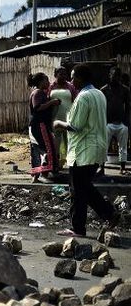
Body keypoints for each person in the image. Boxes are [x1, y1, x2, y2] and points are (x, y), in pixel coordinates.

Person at [54, 64, 119, 238]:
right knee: (84, 188)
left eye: (74, 77)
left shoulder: (83, 97)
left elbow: (76, 126)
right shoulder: (99, 94)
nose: (71, 80)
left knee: (78, 189)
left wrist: (58, 123)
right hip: (96, 148)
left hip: (83, 150)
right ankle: (108, 213)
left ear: (82, 78)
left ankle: (78, 228)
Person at [28, 72, 60, 183]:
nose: (48, 82)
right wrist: (52, 102)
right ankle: (44, 174)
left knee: (40, 149)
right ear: (41, 82)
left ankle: (38, 174)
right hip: (39, 125)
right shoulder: (37, 93)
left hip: (41, 125)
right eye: (46, 80)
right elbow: (37, 107)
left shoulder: (42, 93)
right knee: (48, 149)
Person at [101, 67, 131, 175]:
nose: (115, 78)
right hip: (108, 123)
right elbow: (101, 108)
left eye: (117, 76)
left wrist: (126, 123)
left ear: (120, 77)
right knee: (104, 146)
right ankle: (102, 168)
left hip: (121, 123)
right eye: (113, 75)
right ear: (110, 75)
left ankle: (122, 168)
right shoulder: (104, 90)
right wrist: (103, 122)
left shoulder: (125, 90)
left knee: (123, 147)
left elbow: (128, 107)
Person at [48, 67, 77, 169]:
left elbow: (75, 101)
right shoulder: (51, 86)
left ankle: (71, 164)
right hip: (55, 118)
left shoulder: (70, 86)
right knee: (56, 143)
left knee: (69, 142)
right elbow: (47, 101)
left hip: (69, 118)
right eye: (61, 74)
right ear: (56, 75)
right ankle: (57, 164)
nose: (64, 76)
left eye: (65, 74)